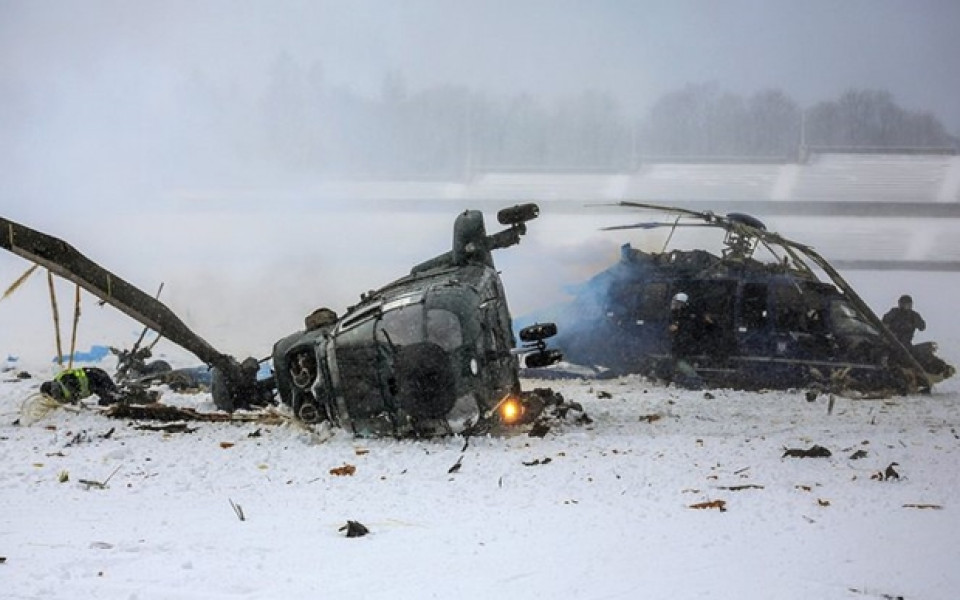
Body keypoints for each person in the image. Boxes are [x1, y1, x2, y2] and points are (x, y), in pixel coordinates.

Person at [667, 292, 707, 388]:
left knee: (679, 361)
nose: (675, 305)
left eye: (677, 303)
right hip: (682, 343)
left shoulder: (689, 315)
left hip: (687, 344)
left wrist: (678, 328)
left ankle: (696, 380)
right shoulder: (678, 314)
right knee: (680, 362)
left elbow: (690, 329)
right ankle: (685, 381)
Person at [40, 366, 122, 406]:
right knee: (109, 398)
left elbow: (74, 397)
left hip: (97, 377)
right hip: (94, 381)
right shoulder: (60, 382)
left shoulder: (64, 382)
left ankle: (128, 396)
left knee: (113, 398)